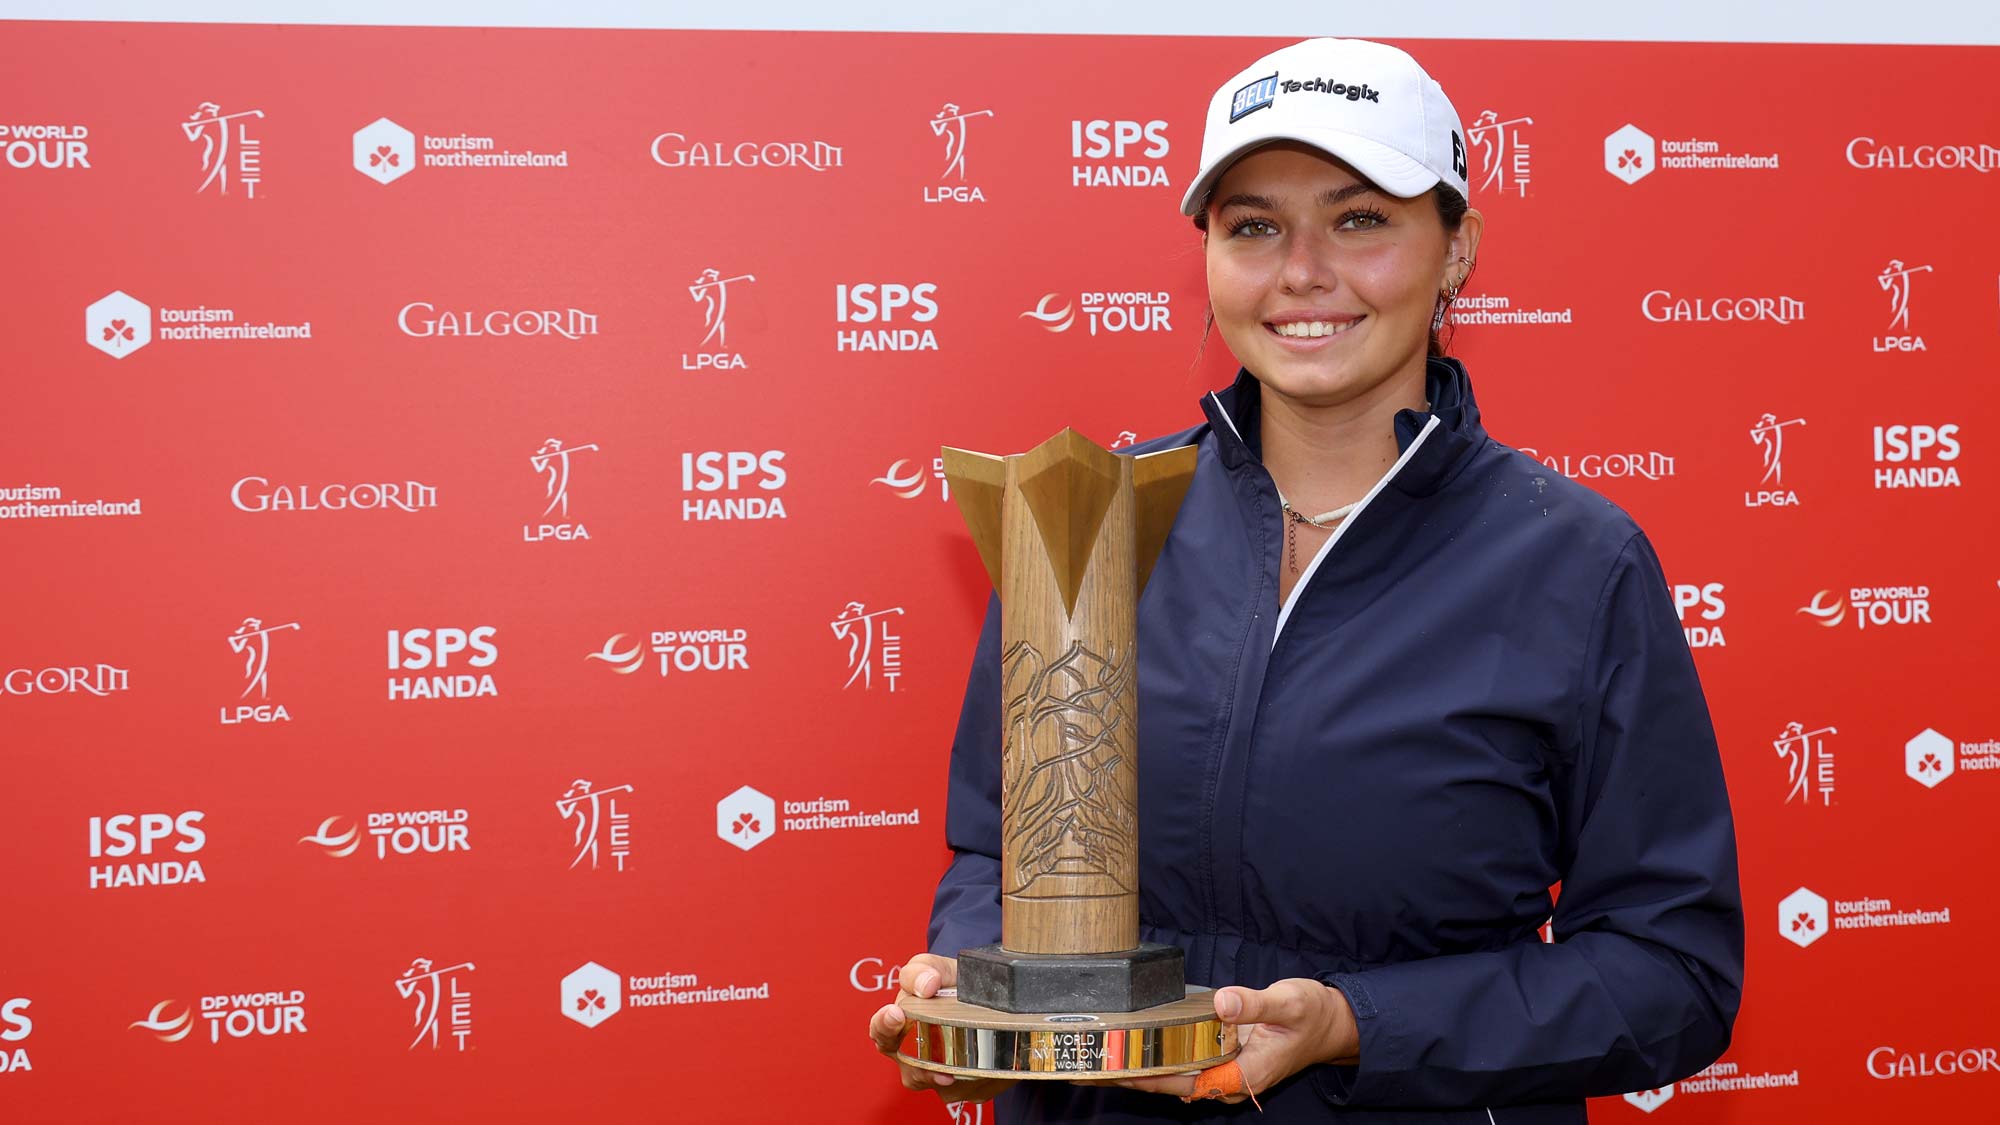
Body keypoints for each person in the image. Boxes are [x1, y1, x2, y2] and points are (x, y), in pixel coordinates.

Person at [870, 37, 1743, 1124]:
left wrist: (1355, 1025)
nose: (1301, 271)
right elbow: (992, 852)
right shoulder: (1085, 512)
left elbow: (1670, 976)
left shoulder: (1575, 562)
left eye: (1360, 218)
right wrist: (970, 985)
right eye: (1253, 226)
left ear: (1456, 248)